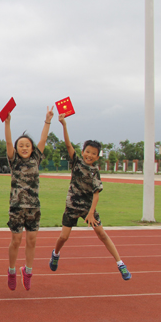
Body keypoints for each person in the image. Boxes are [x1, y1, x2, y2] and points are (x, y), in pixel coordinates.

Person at [49, 114, 132, 280]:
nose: (89, 155)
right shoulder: (77, 162)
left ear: (97, 156)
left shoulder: (95, 172)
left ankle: (120, 264)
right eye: (87, 152)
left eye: (93, 153)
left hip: (88, 208)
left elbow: (96, 194)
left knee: (102, 234)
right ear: (83, 152)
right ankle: (55, 254)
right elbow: (67, 144)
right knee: (63, 237)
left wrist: (91, 212)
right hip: (72, 206)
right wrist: (64, 124)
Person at [3, 107, 52, 290]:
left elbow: (44, 139)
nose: (24, 148)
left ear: (32, 149)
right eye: (21, 145)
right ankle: (12, 270)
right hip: (16, 208)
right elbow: (8, 141)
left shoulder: (36, 158)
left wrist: (47, 120)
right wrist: (7, 123)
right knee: (16, 241)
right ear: (17, 149)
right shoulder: (14, 161)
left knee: (31, 241)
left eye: (27, 145)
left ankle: (28, 271)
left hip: (33, 208)